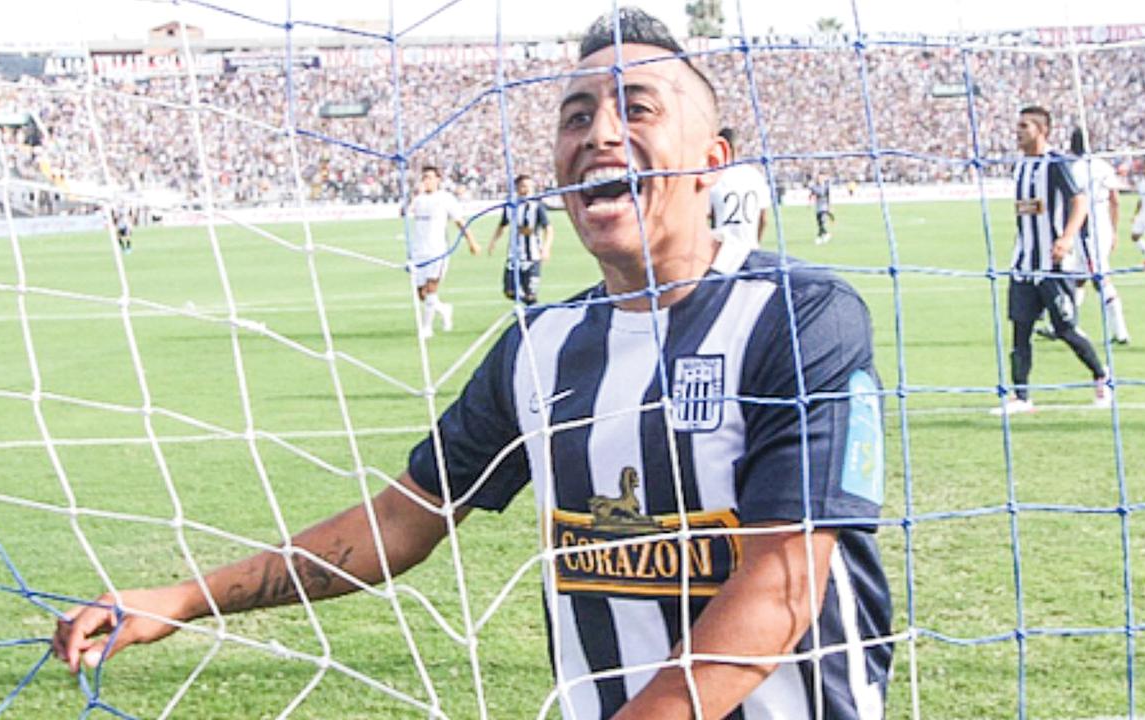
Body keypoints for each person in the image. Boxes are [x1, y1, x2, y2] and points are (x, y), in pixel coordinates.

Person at [54, 9, 892, 720]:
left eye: (635, 108)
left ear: (712, 160)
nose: (599, 133)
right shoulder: (541, 346)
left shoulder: (801, 315)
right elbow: (400, 521)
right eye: (575, 117)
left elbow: (782, 585)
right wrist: (183, 600)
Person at [995, 106, 1110, 416]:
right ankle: (1021, 396)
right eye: (1017, 125)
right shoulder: (1020, 166)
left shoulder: (1057, 163)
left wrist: (1067, 237)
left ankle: (1101, 375)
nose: (1018, 132)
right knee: (1020, 330)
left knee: (1065, 329)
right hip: (1023, 264)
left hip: (1054, 265)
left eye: (1025, 126)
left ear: (1042, 130)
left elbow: (1080, 201)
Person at [1037, 128, 1130, 345]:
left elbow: (1067, 201)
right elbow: (1115, 200)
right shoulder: (1102, 166)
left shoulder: (1071, 167)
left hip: (1085, 228)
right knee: (1078, 278)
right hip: (1102, 223)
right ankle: (1064, 325)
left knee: (1099, 278)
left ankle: (1120, 331)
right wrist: (1114, 231)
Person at [403, 165, 479, 338]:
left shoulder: (445, 199)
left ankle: (426, 328)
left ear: (438, 179)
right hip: (418, 251)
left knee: (431, 288)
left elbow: (459, 221)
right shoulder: (419, 199)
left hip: (437, 251)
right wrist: (415, 195)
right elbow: (403, 213)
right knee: (421, 293)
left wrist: (471, 242)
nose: (426, 181)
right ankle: (444, 309)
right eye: (424, 177)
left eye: (430, 177)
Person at [708, 126, 771, 269]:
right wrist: (756, 242)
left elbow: (710, 217)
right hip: (750, 252)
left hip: (722, 256)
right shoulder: (755, 176)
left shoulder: (715, 177)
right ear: (738, 148)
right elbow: (764, 219)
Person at [486, 173, 554, 305]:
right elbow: (502, 225)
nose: (527, 189)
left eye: (530, 186)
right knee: (509, 291)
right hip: (514, 256)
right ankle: (532, 308)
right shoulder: (510, 206)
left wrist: (546, 249)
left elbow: (549, 229)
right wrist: (493, 242)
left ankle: (532, 309)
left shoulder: (537, 206)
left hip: (532, 256)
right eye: (524, 186)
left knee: (531, 294)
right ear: (517, 188)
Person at [808, 174, 835, 244]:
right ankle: (820, 236)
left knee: (822, 220)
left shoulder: (826, 187)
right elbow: (811, 195)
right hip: (818, 205)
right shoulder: (814, 187)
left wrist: (830, 206)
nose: (820, 180)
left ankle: (825, 234)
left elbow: (828, 197)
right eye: (818, 178)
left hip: (824, 205)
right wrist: (809, 203)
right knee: (819, 222)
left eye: (821, 178)